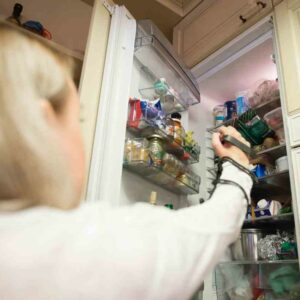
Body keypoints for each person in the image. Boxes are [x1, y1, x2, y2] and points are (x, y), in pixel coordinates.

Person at [0, 21, 253, 300]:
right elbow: (210, 226)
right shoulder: (79, 248)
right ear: (43, 123)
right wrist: (238, 165)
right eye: (77, 120)